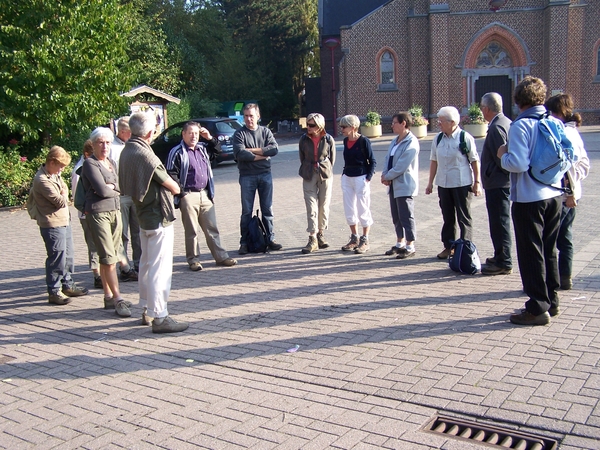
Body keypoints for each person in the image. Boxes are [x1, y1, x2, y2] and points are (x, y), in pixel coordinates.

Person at [498, 76, 562, 326]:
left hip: (529, 197)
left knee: (530, 252)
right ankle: (551, 300)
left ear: (518, 100)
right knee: (549, 249)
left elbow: (518, 163)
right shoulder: (552, 121)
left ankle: (537, 307)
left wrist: (502, 155)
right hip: (554, 193)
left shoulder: (521, 125)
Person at [119, 112, 189, 333]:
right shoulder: (145, 155)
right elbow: (174, 186)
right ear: (150, 133)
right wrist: (176, 186)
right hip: (157, 217)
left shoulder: (126, 150)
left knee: (147, 266)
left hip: (143, 216)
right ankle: (160, 316)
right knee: (160, 268)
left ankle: (147, 310)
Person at [166, 122, 237, 270]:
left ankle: (221, 257)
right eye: (190, 133)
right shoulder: (177, 151)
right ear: (183, 134)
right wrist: (181, 193)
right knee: (191, 230)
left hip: (205, 194)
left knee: (212, 228)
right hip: (188, 195)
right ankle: (193, 260)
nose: (194, 136)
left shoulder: (202, 149)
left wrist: (209, 138)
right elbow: (171, 173)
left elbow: (217, 151)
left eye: (196, 134)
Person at [81, 127, 131, 317]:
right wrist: (113, 188)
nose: (104, 146)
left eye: (108, 142)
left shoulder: (111, 162)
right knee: (109, 258)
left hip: (115, 210)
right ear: (93, 144)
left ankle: (108, 295)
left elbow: (119, 185)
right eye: (100, 142)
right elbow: (102, 190)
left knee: (112, 255)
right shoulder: (90, 164)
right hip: (98, 212)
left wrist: (112, 187)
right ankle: (118, 298)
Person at [29, 146, 88, 304]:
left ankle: (67, 284)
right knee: (57, 258)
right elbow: (61, 201)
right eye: (61, 165)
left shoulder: (54, 175)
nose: (62, 169)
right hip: (52, 224)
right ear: (52, 162)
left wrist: (63, 191)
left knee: (68, 256)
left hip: (63, 220)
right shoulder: (41, 179)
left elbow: (64, 192)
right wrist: (64, 192)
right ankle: (54, 291)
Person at [545, 93, 590, 290]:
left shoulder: (564, 133)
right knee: (564, 237)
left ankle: (558, 278)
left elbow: (568, 166)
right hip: (566, 193)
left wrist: (570, 190)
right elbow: (583, 164)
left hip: (563, 196)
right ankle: (564, 277)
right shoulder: (572, 132)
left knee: (555, 238)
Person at [425, 106, 481, 259]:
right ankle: (448, 246)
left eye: (442, 121)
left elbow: (475, 161)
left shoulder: (465, 137)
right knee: (448, 217)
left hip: (462, 183)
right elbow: (434, 161)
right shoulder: (438, 138)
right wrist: (430, 182)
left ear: (453, 122)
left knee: (464, 216)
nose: (439, 123)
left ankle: (465, 247)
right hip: (443, 183)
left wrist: (477, 182)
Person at [233, 103, 282, 254]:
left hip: (265, 175)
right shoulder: (239, 134)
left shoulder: (265, 132)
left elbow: (274, 149)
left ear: (258, 116)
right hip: (247, 176)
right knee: (246, 211)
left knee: (267, 209)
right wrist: (263, 155)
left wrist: (252, 152)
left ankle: (270, 239)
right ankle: (244, 242)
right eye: (246, 116)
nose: (248, 119)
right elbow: (240, 154)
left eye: (251, 116)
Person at [479, 93, 513, 275]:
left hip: (498, 184)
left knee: (499, 223)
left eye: (482, 107)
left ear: (487, 109)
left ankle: (504, 260)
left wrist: (491, 173)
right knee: (499, 222)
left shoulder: (497, 127)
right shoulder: (505, 122)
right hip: (498, 182)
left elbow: (503, 159)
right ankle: (500, 255)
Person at [380, 112, 419, 259]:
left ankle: (410, 245)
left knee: (406, 216)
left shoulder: (411, 142)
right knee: (396, 216)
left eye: (394, 122)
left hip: (404, 184)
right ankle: (399, 243)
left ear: (403, 123)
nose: (392, 125)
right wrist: (385, 175)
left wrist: (388, 176)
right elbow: (387, 158)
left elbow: (402, 165)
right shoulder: (395, 140)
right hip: (393, 184)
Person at [298, 113, 336, 253]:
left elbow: (332, 159)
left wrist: (326, 169)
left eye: (312, 125)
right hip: (309, 173)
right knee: (311, 205)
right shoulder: (303, 139)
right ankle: (312, 237)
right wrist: (309, 167)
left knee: (324, 204)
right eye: (307, 124)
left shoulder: (328, 139)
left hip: (325, 173)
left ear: (320, 126)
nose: (308, 127)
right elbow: (302, 157)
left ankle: (321, 234)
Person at [339, 114, 376, 254]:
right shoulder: (344, 141)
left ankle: (365, 239)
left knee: (363, 208)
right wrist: (344, 174)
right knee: (349, 208)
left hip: (361, 177)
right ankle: (354, 237)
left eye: (344, 126)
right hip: (348, 177)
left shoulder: (363, 141)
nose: (342, 129)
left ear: (353, 127)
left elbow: (372, 160)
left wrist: (368, 178)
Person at [110, 116, 140, 280]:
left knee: (138, 231)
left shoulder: (134, 145)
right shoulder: (112, 147)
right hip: (120, 196)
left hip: (135, 194)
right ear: (122, 132)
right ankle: (125, 267)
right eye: (130, 132)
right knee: (122, 234)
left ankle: (139, 264)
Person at [72, 140, 101, 288]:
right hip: (86, 213)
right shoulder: (80, 170)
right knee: (93, 244)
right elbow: (77, 195)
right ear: (87, 154)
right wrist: (85, 210)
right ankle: (97, 274)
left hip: (97, 211)